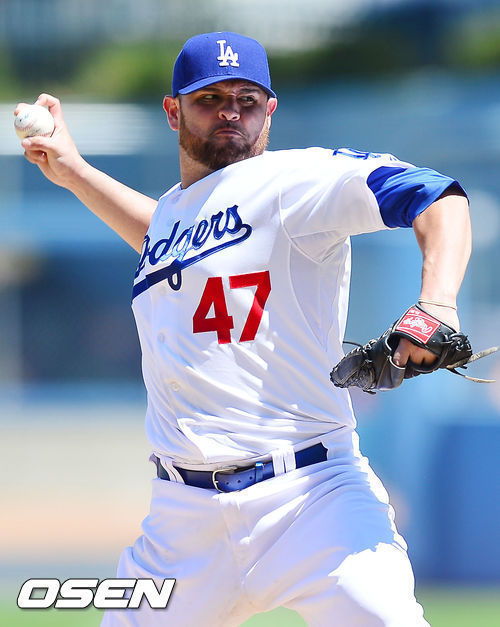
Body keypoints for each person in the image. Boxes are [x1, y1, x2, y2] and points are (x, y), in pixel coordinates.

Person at [17, 31, 471, 627]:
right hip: (183, 521)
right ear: (173, 111)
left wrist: (437, 302)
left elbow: (438, 196)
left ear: (270, 110)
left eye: (247, 99)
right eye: (210, 98)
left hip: (311, 497)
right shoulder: (177, 215)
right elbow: (168, 243)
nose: (231, 111)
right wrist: (76, 173)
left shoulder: (296, 181)